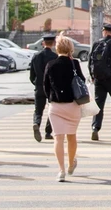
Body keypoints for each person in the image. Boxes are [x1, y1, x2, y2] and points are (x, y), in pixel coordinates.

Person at [45, 36, 87, 181]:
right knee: (71, 136)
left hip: (56, 106)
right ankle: (71, 164)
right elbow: (81, 80)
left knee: (58, 137)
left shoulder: (50, 64)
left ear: (57, 48)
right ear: (70, 48)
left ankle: (61, 170)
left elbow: (45, 86)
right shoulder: (74, 63)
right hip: (73, 106)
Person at [88, 23, 111, 140]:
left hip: (99, 78)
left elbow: (90, 61)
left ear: (103, 31)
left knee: (99, 104)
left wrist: (92, 75)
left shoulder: (96, 44)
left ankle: (95, 127)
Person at [30, 31, 58, 142]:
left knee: (38, 109)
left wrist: (36, 83)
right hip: (51, 87)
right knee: (52, 110)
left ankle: (36, 123)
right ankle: (48, 132)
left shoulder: (36, 56)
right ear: (53, 43)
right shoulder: (55, 57)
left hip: (39, 86)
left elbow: (32, 74)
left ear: (43, 43)